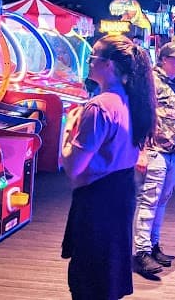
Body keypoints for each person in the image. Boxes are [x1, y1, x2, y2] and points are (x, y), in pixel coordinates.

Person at [60, 35, 157, 300]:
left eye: (94, 58)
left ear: (109, 65)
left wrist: (68, 129)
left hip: (96, 200)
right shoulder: (133, 101)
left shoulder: (99, 107)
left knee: (87, 279)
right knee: (108, 276)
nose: (89, 63)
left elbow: (73, 167)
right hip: (121, 194)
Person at [133, 41, 175, 276]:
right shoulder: (150, 82)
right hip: (154, 149)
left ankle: (153, 245)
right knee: (148, 201)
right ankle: (141, 252)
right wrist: (140, 150)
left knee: (162, 201)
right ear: (163, 58)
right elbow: (140, 115)